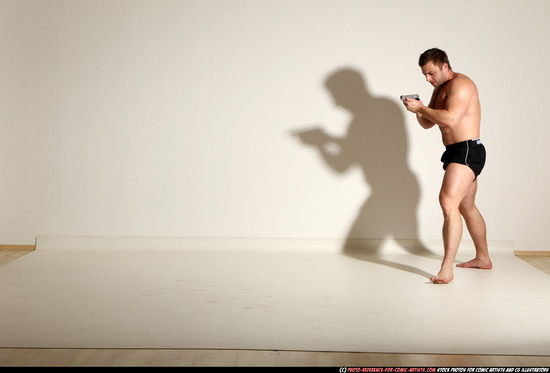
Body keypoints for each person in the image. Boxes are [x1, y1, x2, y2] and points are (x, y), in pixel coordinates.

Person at [403, 48, 492, 284]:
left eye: (431, 73)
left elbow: (452, 119)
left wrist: (423, 109)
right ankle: (483, 258)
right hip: (455, 151)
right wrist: (417, 108)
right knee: (466, 205)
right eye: (424, 75)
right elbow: (426, 124)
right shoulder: (439, 88)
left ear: (444, 66)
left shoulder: (461, 85)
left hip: (467, 150)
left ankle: (447, 269)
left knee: (448, 201)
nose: (428, 79)